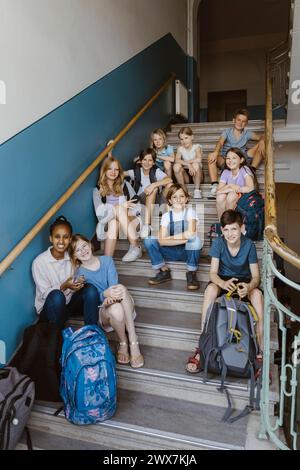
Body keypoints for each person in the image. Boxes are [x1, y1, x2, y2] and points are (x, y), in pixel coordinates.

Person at [186, 209, 264, 373]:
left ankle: (259, 351)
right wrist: (222, 283)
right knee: (210, 291)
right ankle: (203, 345)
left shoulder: (249, 245)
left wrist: (249, 287)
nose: (230, 234)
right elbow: (213, 273)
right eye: (226, 229)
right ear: (222, 230)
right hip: (223, 279)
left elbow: (256, 276)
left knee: (257, 294)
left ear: (242, 228)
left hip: (244, 281)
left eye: (234, 229)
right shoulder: (219, 243)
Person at [70, 234, 144, 368]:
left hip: (122, 301)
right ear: (75, 256)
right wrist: (105, 294)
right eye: (78, 250)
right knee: (115, 309)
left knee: (120, 288)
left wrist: (111, 294)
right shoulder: (80, 274)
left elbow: (114, 286)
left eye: (84, 246)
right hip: (104, 310)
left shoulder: (107, 260)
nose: (83, 251)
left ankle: (133, 340)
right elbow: (90, 298)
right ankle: (123, 342)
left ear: (90, 244)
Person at [32, 216, 99, 329]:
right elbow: (45, 294)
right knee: (57, 296)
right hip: (51, 308)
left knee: (90, 289)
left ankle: (91, 332)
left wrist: (79, 283)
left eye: (66, 237)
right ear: (50, 238)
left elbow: (81, 274)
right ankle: (58, 338)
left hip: (69, 304)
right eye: (57, 237)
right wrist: (64, 286)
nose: (61, 241)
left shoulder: (73, 256)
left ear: (70, 238)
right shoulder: (39, 262)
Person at [143, 184, 202, 290]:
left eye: (182, 196)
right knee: (148, 240)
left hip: (186, 252)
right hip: (170, 252)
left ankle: (191, 273)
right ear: (170, 200)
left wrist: (169, 239)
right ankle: (164, 271)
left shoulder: (191, 212)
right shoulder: (166, 216)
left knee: (195, 240)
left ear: (186, 198)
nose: (178, 199)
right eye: (175, 197)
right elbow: (161, 241)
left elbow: (190, 234)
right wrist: (183, 239)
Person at [207, 109, 265, 199]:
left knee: (262, 143)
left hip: (242, 157)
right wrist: (215, 152)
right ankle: (214, 185)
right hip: (227, 159)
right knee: (211, 156)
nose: (240, 123)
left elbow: (262, 136)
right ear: (234, 120)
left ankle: (252, 169)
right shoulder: (227, 132)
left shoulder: (247, 133)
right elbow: (220, 142)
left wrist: (262, 141)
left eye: (243, 121)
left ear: (246, 123)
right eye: (238, 120)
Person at [93, 156, 142, 262]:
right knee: (114, 221)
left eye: (116, 169)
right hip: (110, 224)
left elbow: (137, 206)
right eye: (110, 169)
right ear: (104, 170)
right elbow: (100, 215)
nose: (113, 172)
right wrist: (120, 208)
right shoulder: (97, 190)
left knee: (120, 210)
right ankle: (108, 263)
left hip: (130, 220)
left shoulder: (125, 185)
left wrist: (125, 210)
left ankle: (135, 246)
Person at [124, 148, 172, 239]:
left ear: (154, 162)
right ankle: (147, 224)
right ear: (140, 161)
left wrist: (153, 185)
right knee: (152, 190)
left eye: (150, 160)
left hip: (156, 203)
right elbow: (119, 174)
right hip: (142, 203)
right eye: (144, 160)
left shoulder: (155, 172)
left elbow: (169, 179)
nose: (147, 162)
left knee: (168, 185)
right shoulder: (136, 172)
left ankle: (147, 225)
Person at [216, 147, 255, 220]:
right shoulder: (226, 172)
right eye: (228, 158)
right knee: (220, 197)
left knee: (231, 195)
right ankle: (222, 223)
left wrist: (236, 189)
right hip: (230, 197)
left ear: (241, 160)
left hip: (244, 198)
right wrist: (230, 186)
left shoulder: (244, 169)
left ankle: (230, 222)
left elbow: (251, 188)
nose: (230, 161)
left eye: (234, 158)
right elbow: (219, 191)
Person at [173, 126, 203, 199]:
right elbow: (177, 160)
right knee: (176, 166)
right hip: (186, 175)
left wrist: (189, 163)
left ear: (192, 137)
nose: (184, 141)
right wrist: (188, 164)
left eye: (186, 138)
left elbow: (199, 159)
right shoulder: (180, 148)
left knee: (195, 164)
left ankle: (197, 190)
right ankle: (183, 190)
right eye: (181, 139)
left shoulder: (196, 147)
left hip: (197, 174)